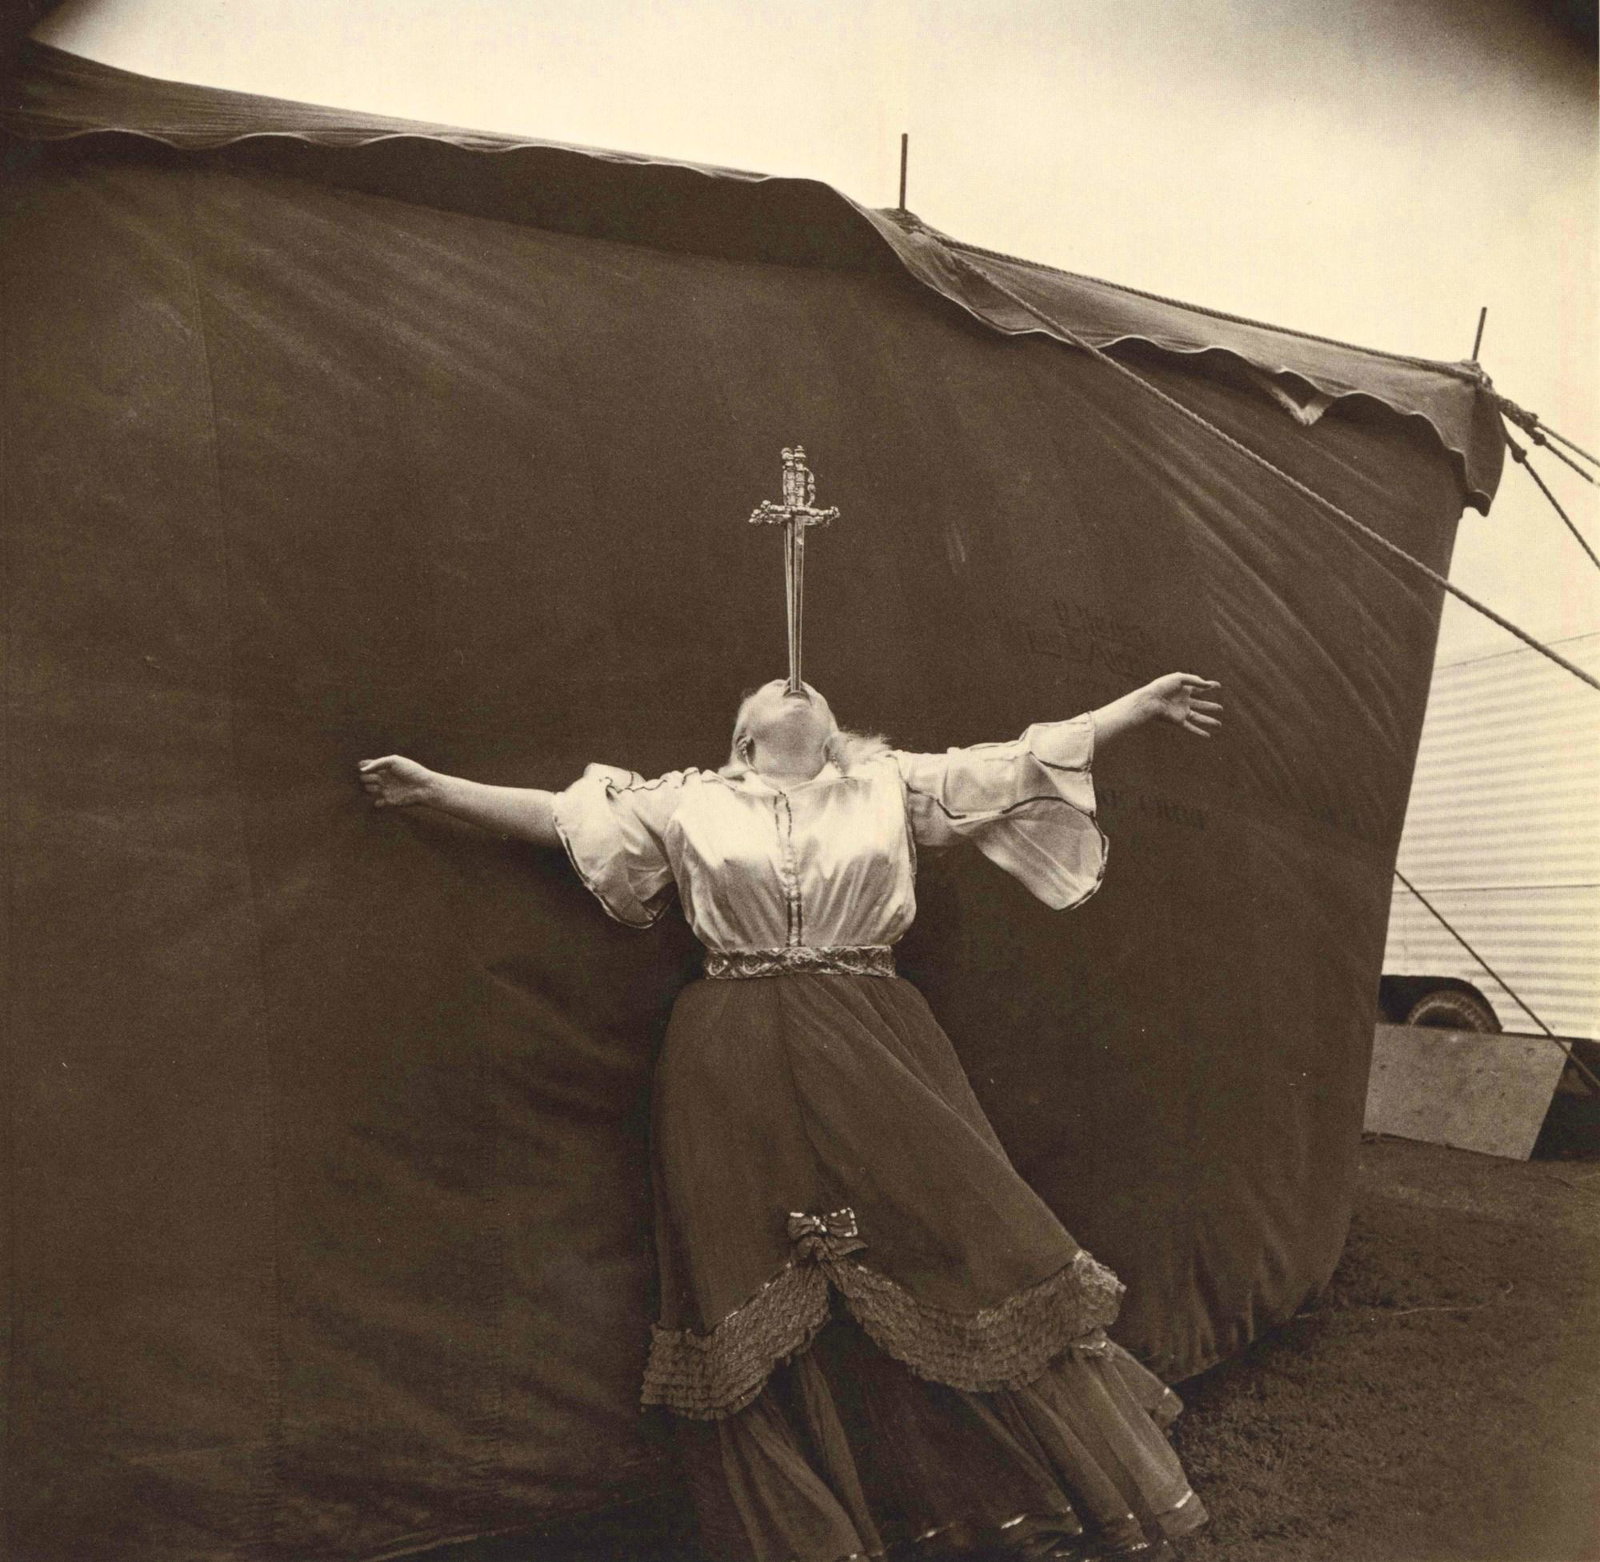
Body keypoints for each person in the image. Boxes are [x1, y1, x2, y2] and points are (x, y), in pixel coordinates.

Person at [358, 671, 1222, 1562]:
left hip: (875, 1043)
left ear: (836, 729)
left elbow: (1019, 762)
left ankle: (989, 1495)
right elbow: (560, 818)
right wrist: (434, 790)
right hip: (729, 1057)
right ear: (744, 738)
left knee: (944, 1243)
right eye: (775, 688)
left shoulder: (892, 786)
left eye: (811, 689)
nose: (794, 682)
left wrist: (1137, 707)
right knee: (751, 1273)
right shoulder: (690, 802)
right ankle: (814, 1529)